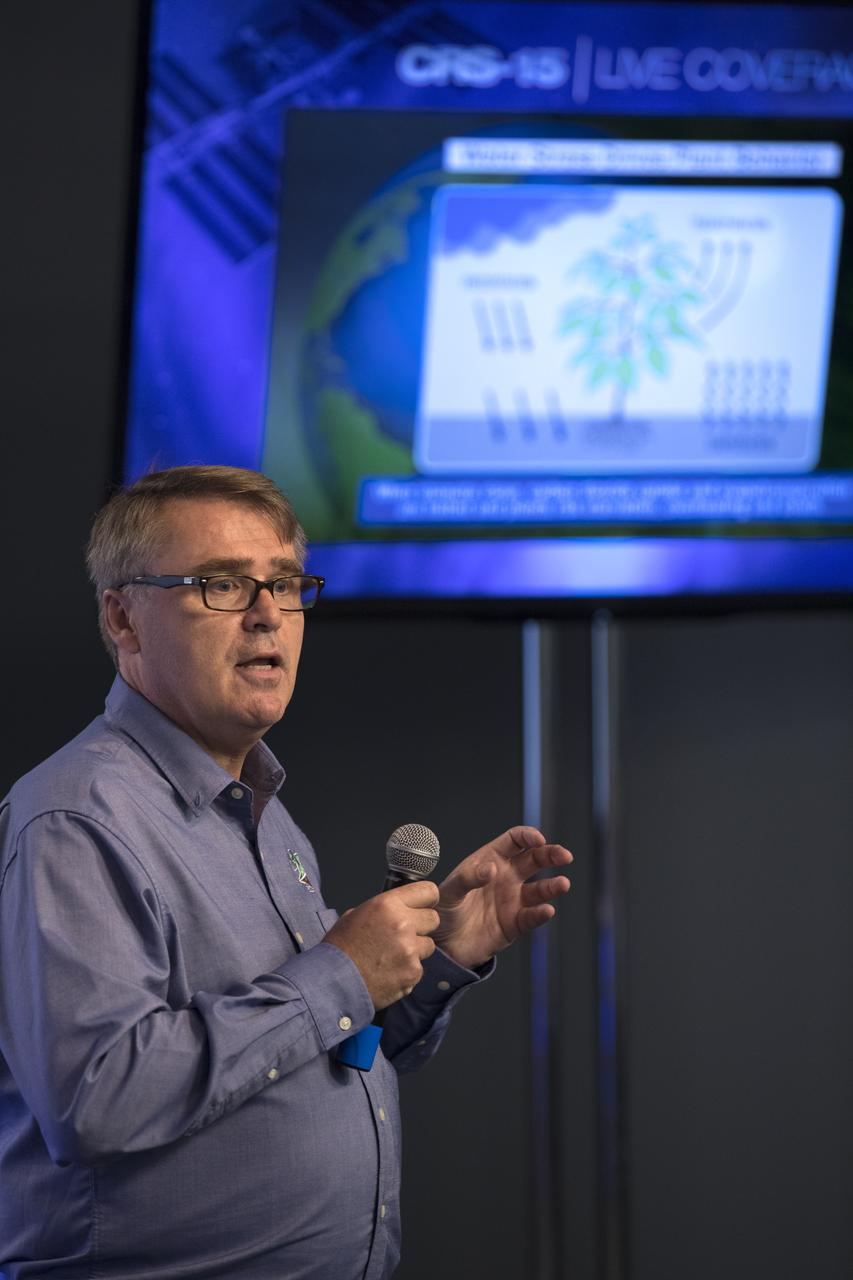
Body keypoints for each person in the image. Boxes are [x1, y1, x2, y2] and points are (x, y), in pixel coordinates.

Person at [0, 465, 572, 1279]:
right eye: (222, 584)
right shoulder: (78, 820)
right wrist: (340, 972)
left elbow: (317, 1050)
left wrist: (430, 958)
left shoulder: (263, 812)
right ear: (124, 619)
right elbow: (96, 1100)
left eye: (285, 583)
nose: (268, 613)